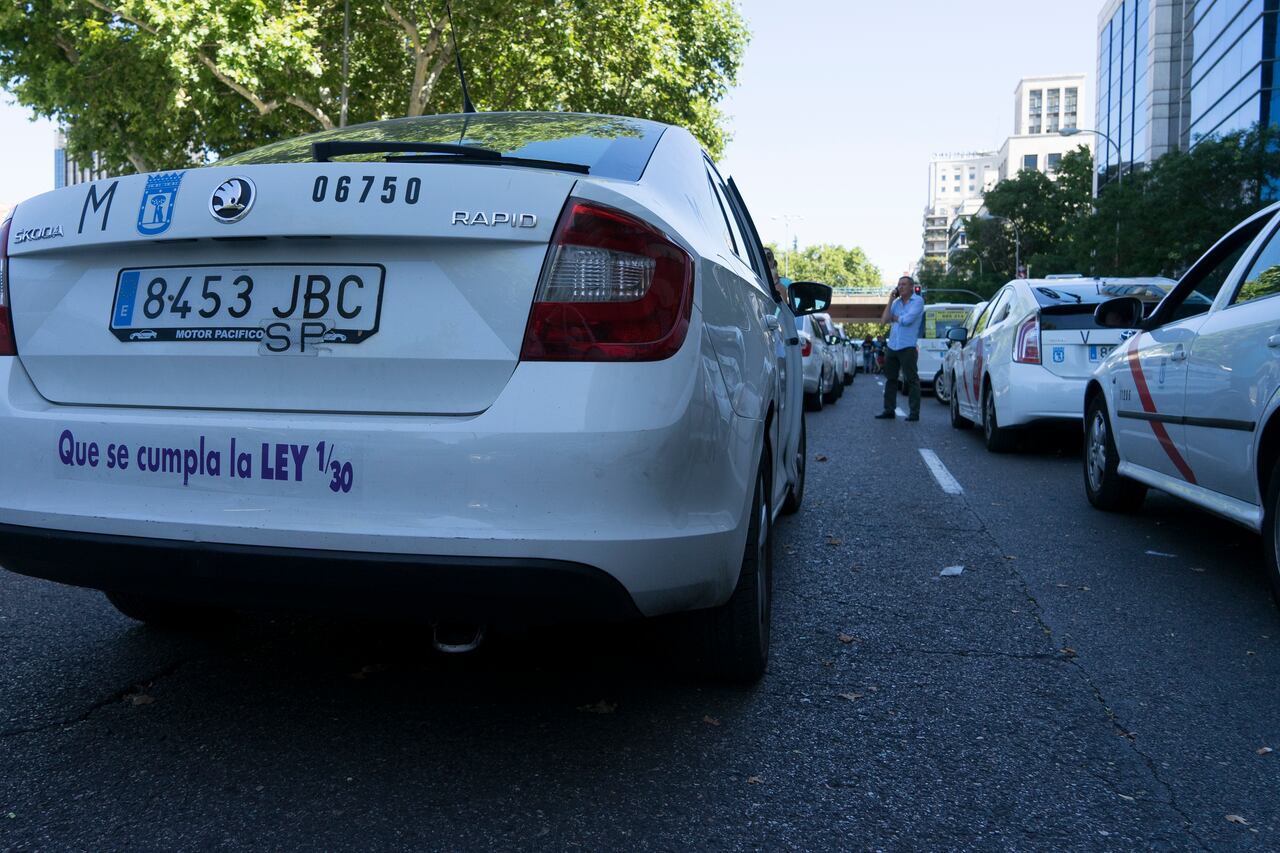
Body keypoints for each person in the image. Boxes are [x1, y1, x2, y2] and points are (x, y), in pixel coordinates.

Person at [875, 276, 924, 422]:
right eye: (899, 285)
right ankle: (889, 410)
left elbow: (907, 321)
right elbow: (884, 321)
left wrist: (895, 318)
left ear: (911, 287)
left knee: (912, 380)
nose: (900, 287)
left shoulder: (918, 301)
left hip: (907, 346)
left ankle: (914, 413)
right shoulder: (895, 303)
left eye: (903, 284)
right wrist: (890, 299)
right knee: (891, 379)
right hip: (892, 346)